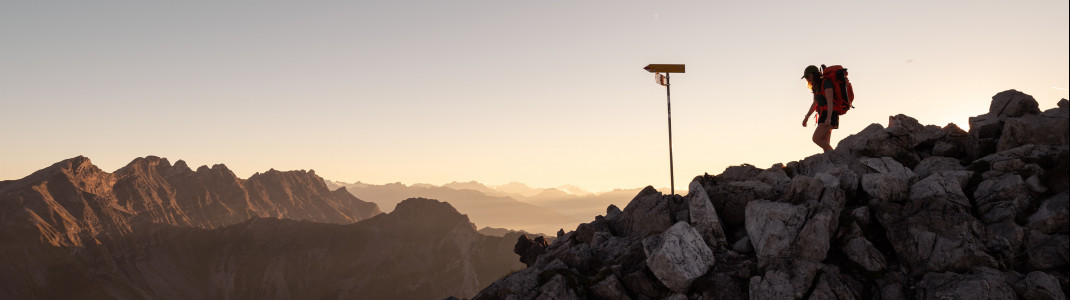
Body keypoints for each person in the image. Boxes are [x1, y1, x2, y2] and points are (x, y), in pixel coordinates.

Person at [801, 65, 837, 152]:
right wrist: (807, 117)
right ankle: (831, 162)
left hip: (830, 114)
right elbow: (815, 103)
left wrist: (828, 118)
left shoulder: (826, 83)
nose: (808, 79)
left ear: (814, 74)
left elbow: (830, 102)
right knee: (825, 143)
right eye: (806, 77)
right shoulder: (816, 86)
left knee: (816, 138)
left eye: (808, 76)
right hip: (822, 115)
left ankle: (836, 157)